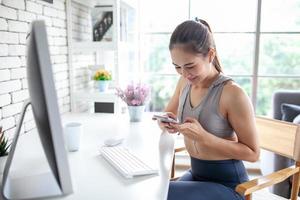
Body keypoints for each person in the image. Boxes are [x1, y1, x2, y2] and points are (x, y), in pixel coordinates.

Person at [156, 19, 260, 200]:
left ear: (210, 55)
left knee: (159, 195)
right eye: (177, 67)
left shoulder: (232, 93)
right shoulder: (185, 82)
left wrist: (204, 137)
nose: (184, 73)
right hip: (197, 175)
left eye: (190, 66)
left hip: (229, 186)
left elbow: (253, 153)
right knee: (154, 188)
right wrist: (165, 122)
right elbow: (169, 114)